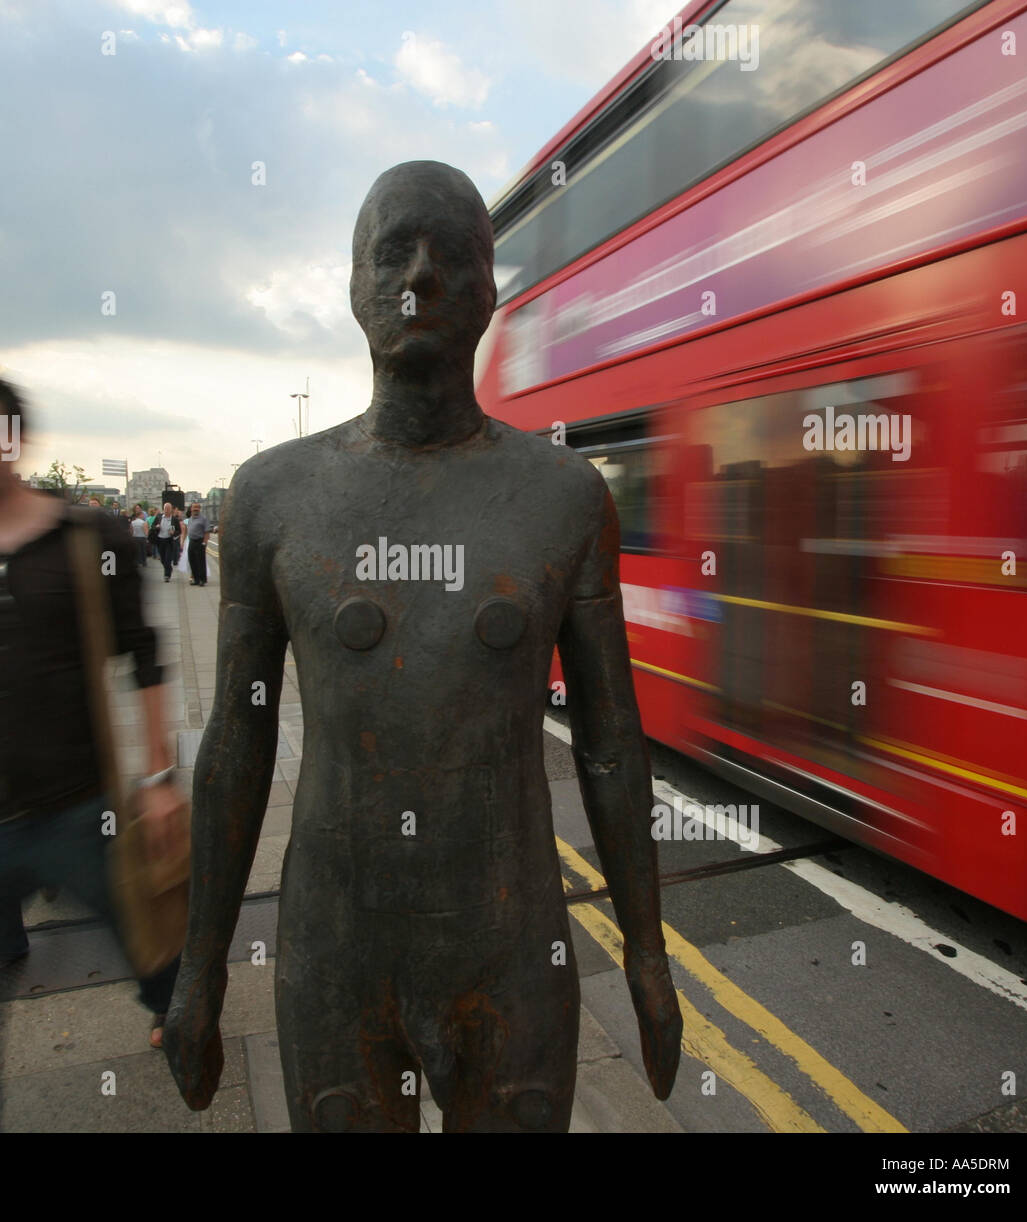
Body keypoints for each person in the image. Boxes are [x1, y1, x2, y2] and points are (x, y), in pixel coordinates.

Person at [163, 163, 681, 1131]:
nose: (422, 276)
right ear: (354, 285)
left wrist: (646, 955)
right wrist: (200, 972)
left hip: (514, 948)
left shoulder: (563, 498)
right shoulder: (274, 497)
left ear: (492, 291)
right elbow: (237, 743)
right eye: (393, 250)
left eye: (454, 254)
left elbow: (612, 741)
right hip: (332, 954)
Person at [0, 363, 184, 1132]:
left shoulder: (88, 536)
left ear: (13, 440)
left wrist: (160, 778)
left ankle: (177, 1015)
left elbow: (145, 655)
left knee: (158, 950)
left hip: (81, 811)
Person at [184, 501, 212, 586]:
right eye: (194, 507)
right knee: (192, 560)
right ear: (191, 509)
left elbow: (207, 532)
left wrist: (204, 542)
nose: (195, 509)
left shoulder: (204, 519)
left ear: (199, 509)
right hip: (192, 541)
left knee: (200, 562)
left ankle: (202, 580)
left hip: (200, 542)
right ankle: (196, 579)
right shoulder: (190, 519)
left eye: (197, 507)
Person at [150, 501, 180, 582]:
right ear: (163, 509)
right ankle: (169, 569)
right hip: (160, 540)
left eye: (168, 508)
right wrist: (156, 526)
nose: (166, 510)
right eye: (165, 508)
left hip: (169, 541)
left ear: (171, 510)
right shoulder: (159, 517)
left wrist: (174, 533)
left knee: (167, 559)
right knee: (162, 559)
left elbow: (179, 531)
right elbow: (152, 526)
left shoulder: (174, 519)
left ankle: (167, 575)